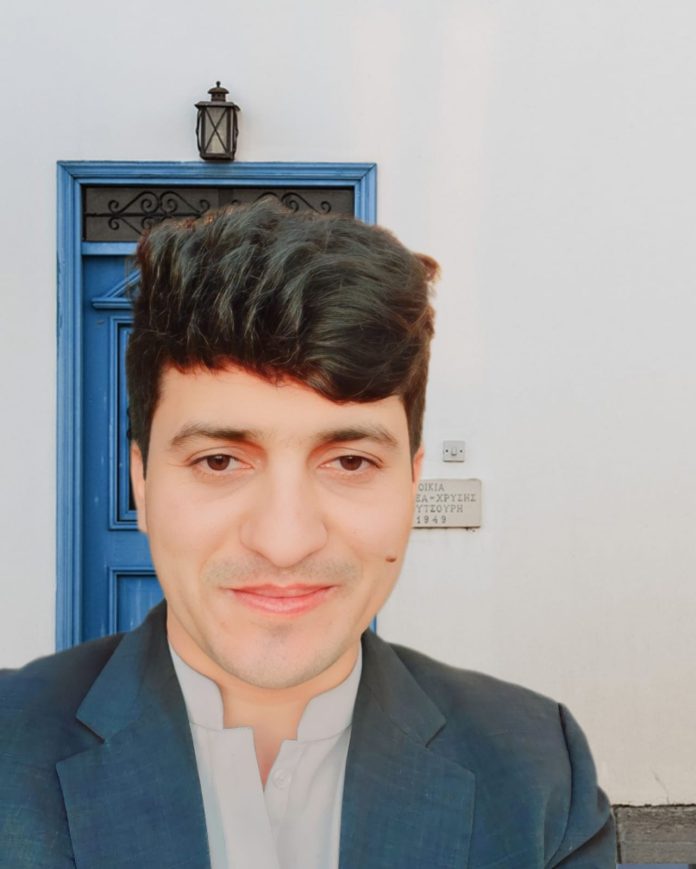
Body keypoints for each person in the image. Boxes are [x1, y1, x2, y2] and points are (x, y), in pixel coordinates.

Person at [0, 202, 615, 868]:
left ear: (411, 483)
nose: (285, 542)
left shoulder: (538, 774)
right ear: (141, 483)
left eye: (350, 462)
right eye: (219, 461)